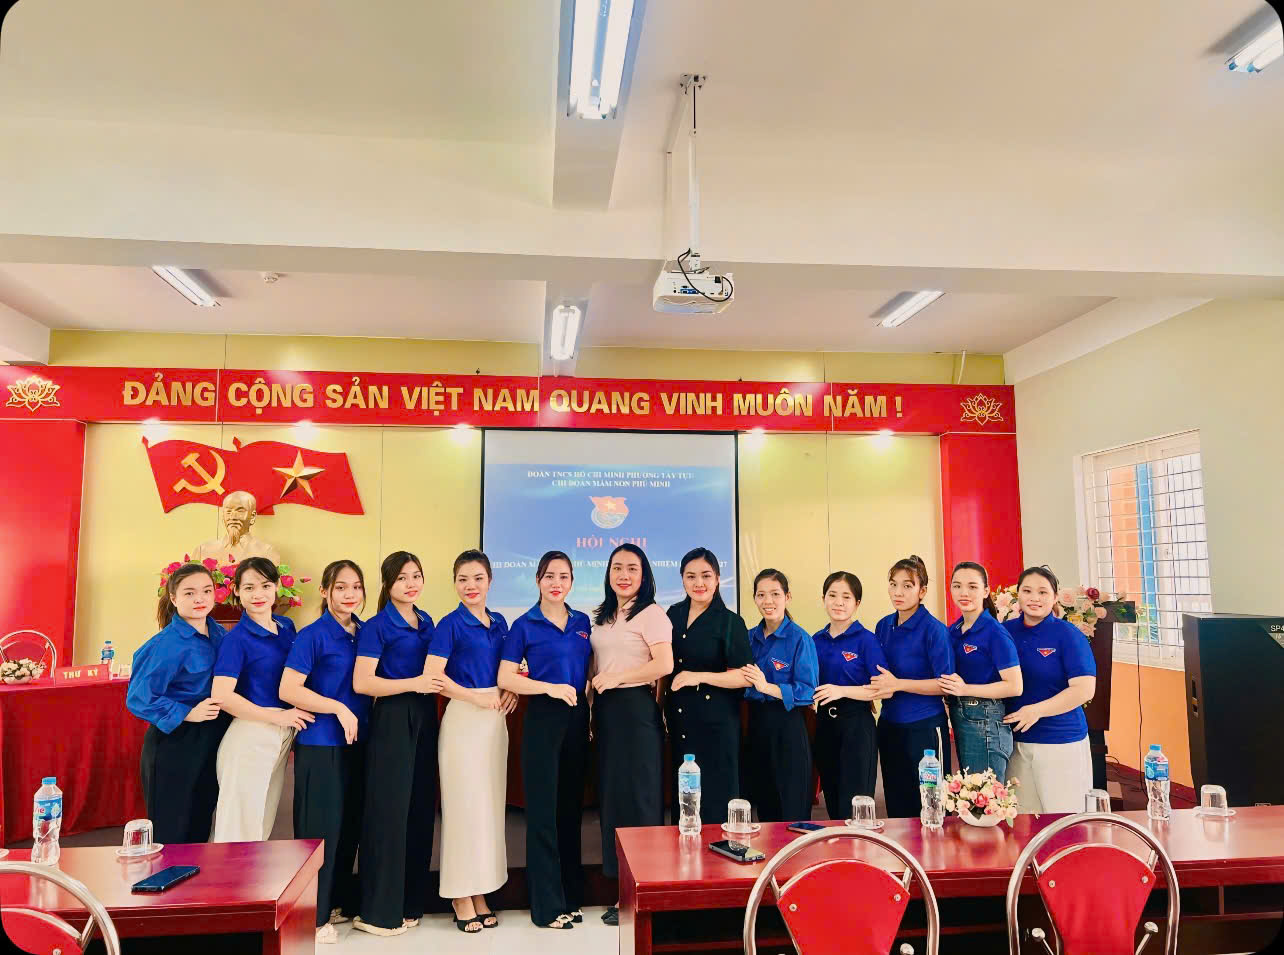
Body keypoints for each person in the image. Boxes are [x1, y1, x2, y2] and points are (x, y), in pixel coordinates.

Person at [498, 551, 593, 931]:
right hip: (542, 719)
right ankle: (546, 906)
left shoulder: (582, 622)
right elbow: (506, 677)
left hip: (576, 720)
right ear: (538, 579)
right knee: (542, 814)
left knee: (570, 811)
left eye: (564, 576)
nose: (556, 583)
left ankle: (570, 897)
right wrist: (548, 688)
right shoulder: (524, 624)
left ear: (572, 582)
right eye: (550, 575)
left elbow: (588, 671)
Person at [351, 552, 444, 938]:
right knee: (389, 813)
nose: (411, 584)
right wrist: (413, 684)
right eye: (402, 578)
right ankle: (379, 911)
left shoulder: (427, 621)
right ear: (388, 584)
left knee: (419, 809)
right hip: (392, 717)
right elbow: (363, 682)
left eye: (416, 576)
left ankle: (410, 904)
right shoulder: (376, 626)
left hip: (425, 717)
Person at [426, 550, 518, 934]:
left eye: (478, 578)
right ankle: (459, 895)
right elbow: (434, 676)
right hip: (464, 721)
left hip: (494, 723)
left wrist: (510, 691)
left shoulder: (500, 623)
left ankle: (480, 889)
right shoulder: (449, 625)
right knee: (463, 809)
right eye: (463, 579)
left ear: (490, 581)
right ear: (455, 584)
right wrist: (475, 698)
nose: (470, 586)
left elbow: (508, 669)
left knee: (487, 811)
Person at [279, 559, 370, 945]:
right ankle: (311, 918)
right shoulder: (312, 635)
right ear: (325, 591)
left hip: (356, 744)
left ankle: (332, 903)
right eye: (341, 587)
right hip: (321, 744)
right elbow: (288, 689)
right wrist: (337, 708)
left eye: (356, 587)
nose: (350, 594)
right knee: (320, 831)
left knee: (348, 827)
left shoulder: (363, 632)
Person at [589, 543, 673, 927]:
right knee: (613, 803)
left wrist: (618, 678)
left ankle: (647, 894)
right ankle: (621, 894)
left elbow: (664, 664)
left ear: (644, 575)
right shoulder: (604, 615)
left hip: (636, 712)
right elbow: (596, 665)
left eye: (632, 569)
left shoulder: (652, 614)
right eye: (617, 568)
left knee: (641, 803)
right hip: (607, 714)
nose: (624, 575)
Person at [127, 562, 230, 845]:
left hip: (211, 738)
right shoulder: (166, 644)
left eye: (206, 591)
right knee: (173, 830)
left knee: (200, 822)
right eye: (189, 593)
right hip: (176, 741)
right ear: (173, 598)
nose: (200, 599)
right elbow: (139, 696)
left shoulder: (220, 634)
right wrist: (186, 713)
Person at [211, 557, 313, 842]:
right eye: (249, 588)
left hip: (282, 732)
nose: (258, 594)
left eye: (266, 586)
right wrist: (278, 716)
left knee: (261, 825)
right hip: (251, 734)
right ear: (236, 591)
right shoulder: (236, 639)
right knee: (237, 829)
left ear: (277, 586)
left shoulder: (286, 627)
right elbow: (221, 696)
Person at [664, 547, 753, 826]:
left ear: (717, 578)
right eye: (690, 576)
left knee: (716, 800)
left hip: (716, 725)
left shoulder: (730, 622)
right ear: (682, 579)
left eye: (706, 575)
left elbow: (744, 676)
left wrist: (698, 676)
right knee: (684, 803)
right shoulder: (673, 614)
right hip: (680, 723)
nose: (698, 583)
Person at [1002, 565, 1096, 813]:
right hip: (1015, 742)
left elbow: (1084, 690)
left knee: (1065, 819)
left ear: (1055, 597)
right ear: (1018, 595)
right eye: (1027, 591)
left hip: (1060, 742)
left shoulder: (1067, 635)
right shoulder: (1005, 632)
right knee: (1020, 820)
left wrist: (1036, 711)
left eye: (1043, 592)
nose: (1034, 598)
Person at [870, 555, 954, 819]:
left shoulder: (934, 630)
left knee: (931, 804)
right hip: (889, 726)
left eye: (907, 586)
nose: (898, 592)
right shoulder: (883, 626)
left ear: (922, 591)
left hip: (924, 728)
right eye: (893, 584)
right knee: (896, 802)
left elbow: (946, 685)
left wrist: (899, 684)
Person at [742, 568, 818, 823]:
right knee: (765, 808)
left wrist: (767, 687)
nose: (768, 601)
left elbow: (808, 691)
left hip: (788, 726)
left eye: (775, 594)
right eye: (761, 595)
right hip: (756, 726)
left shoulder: (800, 639)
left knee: (792, 809)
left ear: (788, 597)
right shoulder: (748, 637)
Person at [811, 571, 887, 820]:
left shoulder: (867, 640)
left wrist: (841, 690)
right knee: (833, 801)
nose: (839, 602)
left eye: (846, 597)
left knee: (855, 804)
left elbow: (882, 688)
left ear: (857, 603)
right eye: (832, 595)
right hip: (824, 725)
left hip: (856, 726)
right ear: (823, 599)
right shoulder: (815, 640)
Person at [938, 562, 1022, 782]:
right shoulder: (954, 630)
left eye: (972, 587)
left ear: (986, 591)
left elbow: (1014, 686)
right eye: (957, 586)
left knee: (985, 797)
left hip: (985, 722)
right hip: (962, 717)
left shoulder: (995, 633)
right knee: (970, 794)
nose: (964, 593)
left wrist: (965, 689)